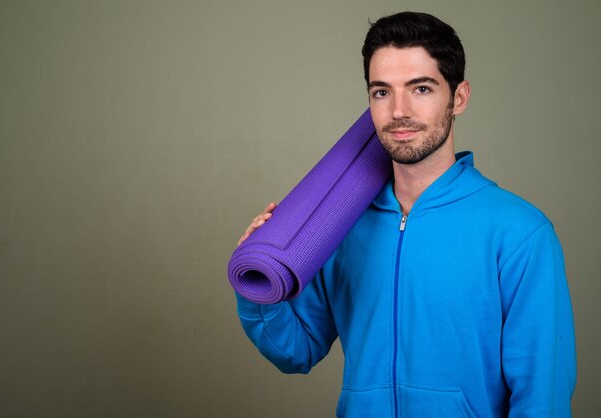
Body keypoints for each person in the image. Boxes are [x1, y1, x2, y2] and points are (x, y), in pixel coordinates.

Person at [234, 11, 576, 417]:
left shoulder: (519, 232)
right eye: (382, 92)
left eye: (421, 88)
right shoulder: (338, 226)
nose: (398, 111)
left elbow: (542, 398)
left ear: (459, 97)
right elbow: (297, 351)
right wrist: (257, 288)